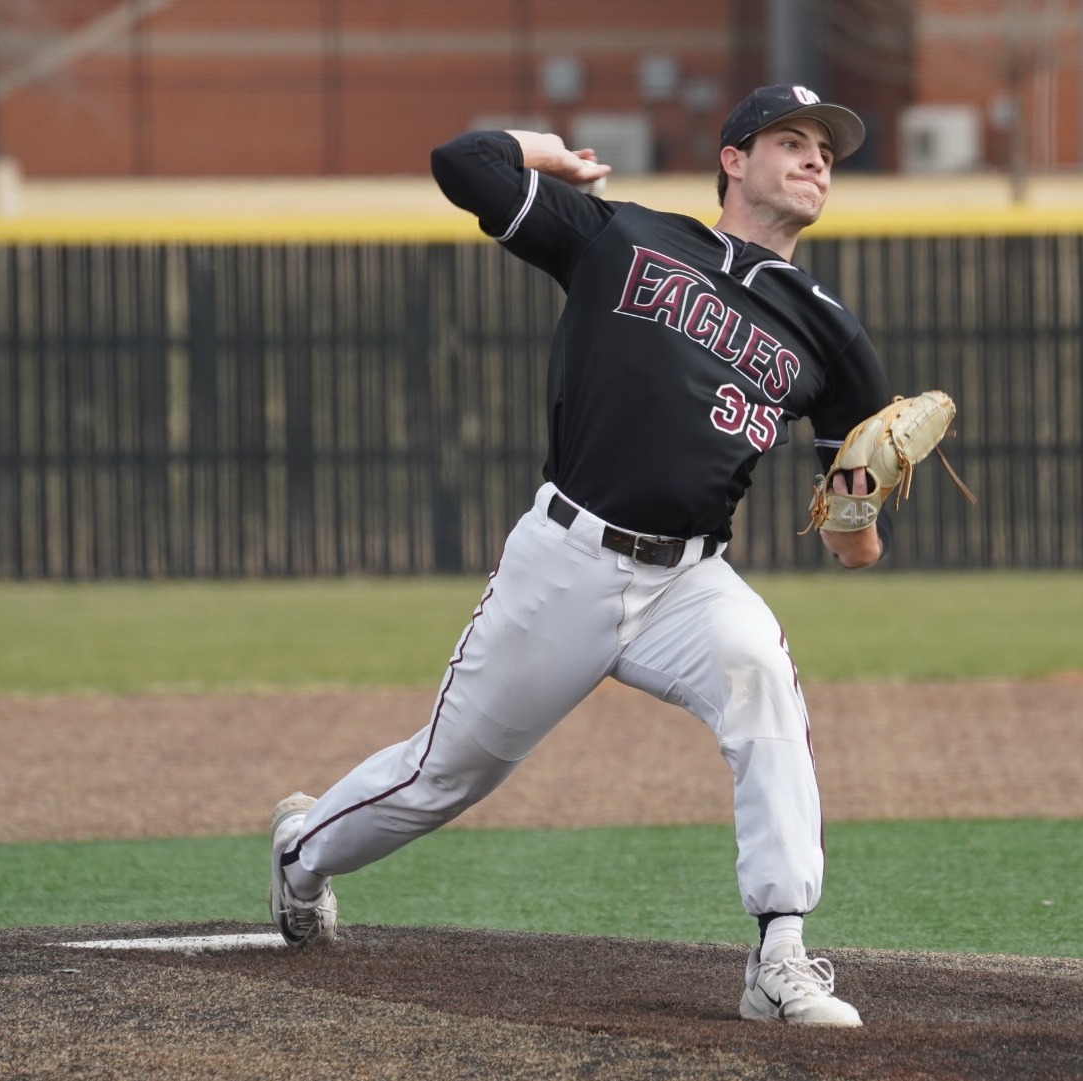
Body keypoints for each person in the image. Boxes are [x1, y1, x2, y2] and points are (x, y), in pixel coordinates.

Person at [268, 85, 893, 1028]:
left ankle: (780, 952)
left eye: (826, 152)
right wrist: (545, 154)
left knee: (761, 675)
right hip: (566, 558)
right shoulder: (626, 238)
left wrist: (863, 503)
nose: (814, 160)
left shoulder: (831, 335)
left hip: (689, 578)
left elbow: (852, 548)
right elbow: (460, 164)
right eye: (789, 141)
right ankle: (300, 853)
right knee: (446, 773)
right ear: (732, 159)